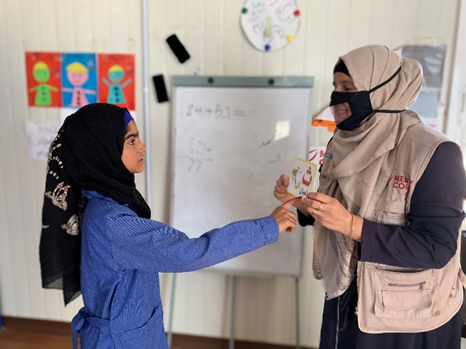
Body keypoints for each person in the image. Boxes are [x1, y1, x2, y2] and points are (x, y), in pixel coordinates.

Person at [39, 102, 300, 349]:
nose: (142, 147)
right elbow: (189, 253)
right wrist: (267, 227)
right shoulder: (113, 222)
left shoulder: (99, 201)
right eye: (131, 141)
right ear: (101, 153)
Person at [273, 45, 466, 349]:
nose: (337, 98)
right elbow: (337, 212)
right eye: (335, 87)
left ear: (382, 90)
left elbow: (437, 248)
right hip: (346, 299)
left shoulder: (435, 153)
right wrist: (305, 204)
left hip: (409, 320)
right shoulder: (341, 142)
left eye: (348, 88)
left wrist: (352, 225)